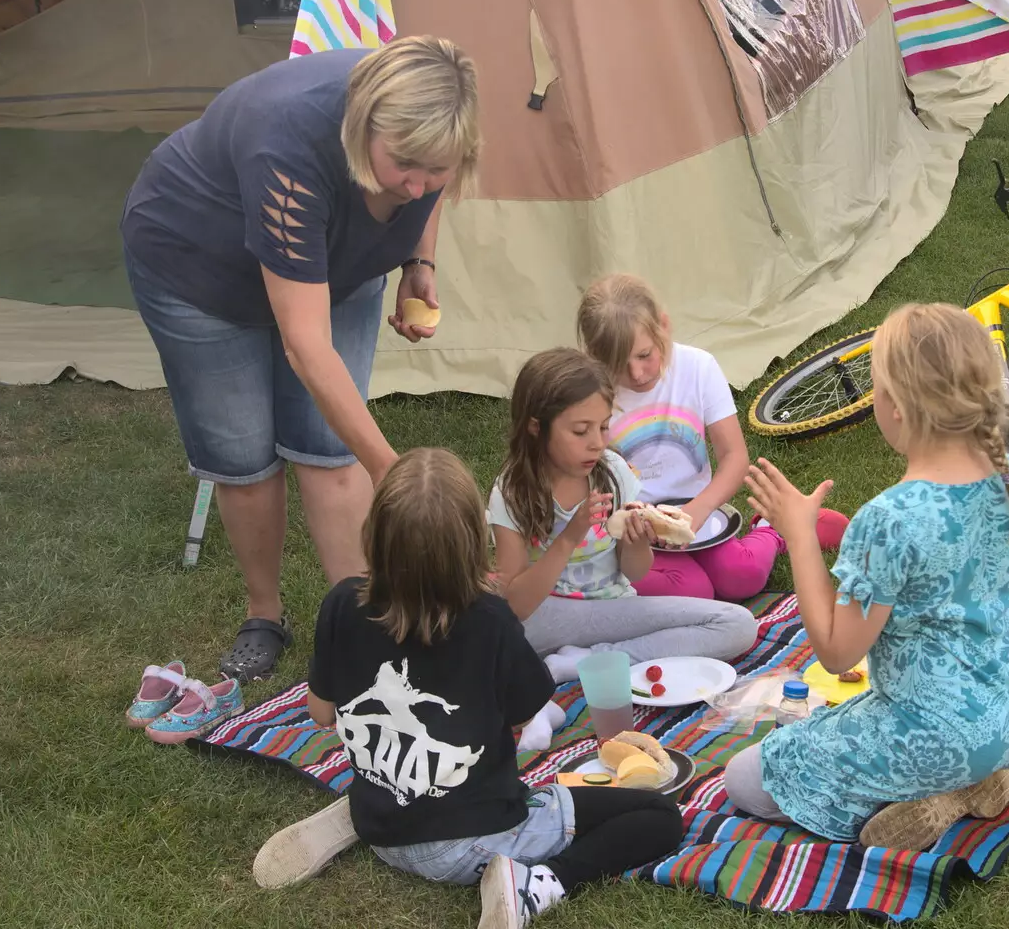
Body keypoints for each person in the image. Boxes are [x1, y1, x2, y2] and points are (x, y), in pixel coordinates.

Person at [120, 37, 480, 680]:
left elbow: (425, 186)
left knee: (328, 449)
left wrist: (418, 261)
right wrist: (394, 472)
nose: (420, 185)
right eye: (405, 166)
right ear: (366, 124)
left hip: (337, 266)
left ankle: (372, 623)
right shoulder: (287, 142)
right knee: (245, 453)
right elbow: (305, 345)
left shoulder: (432, 118)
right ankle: (265, 613)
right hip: (198, 270)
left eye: (439, 168)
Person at [268, 448, 683, 928]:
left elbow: (320, 713)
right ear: (472, 541)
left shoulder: (342, 601)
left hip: (381, 825)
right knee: (658, 814)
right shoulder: (490, 622)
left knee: (406, 768)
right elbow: (526, 718)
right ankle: (541, 883)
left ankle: (367, 807)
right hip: (473, 841)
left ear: (375, 534)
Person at [723, 303, 1009, 846]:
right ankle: (982, 779)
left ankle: (937, 793)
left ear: (894, 405)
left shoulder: (889, 520)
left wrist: (800, 537)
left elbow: (836, 653)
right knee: (856, 721)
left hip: (941, 735)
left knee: (747, 777)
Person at [489, 348, 758, 682]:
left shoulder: (613, 473)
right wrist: (570, 537)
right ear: (535, 427)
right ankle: (614, 654)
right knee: (499, 637)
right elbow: (516, 606)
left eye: (603, 427)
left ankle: (594, 659)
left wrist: (636, 543)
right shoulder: (512, 491)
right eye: (580, 430)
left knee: (738, 625)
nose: (596, 444)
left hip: (615, 610)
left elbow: (634, 572)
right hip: (547, 616)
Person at [576, 274, 847, 602]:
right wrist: (628, 527)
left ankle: (773, 531)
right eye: (618, 364)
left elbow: (735, 457)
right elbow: (585, 480)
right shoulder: (592, 395)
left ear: (664, 326)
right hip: (634, 535)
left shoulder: (697, 368)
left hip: (699, 513)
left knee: (741, 577)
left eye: (645, 355)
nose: (636, 373)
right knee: (692, 593)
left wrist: (699, 508)